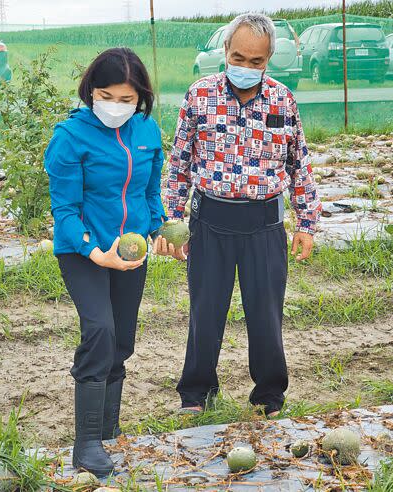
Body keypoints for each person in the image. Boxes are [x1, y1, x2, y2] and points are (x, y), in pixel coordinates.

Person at [156, 13, 322, 417]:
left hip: (264, 223)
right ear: (225, 52)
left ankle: (268, 395)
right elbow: (179, 163)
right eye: (238, 57)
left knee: (266, 315)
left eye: (256, 61)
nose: (245, 68)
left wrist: (306, 223)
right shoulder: (200, 96)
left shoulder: (282, 99)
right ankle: (196, 393)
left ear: (268, 60)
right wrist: (172, 222)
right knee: (205, 311)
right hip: (210, 220)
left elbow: (298, 164)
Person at [44, 47, 166, 477]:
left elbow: (151, 193)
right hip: (85, 252)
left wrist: (160, 229)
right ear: (90, 92)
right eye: (106, 95)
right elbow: (65, 210)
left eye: (126, 99)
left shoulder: (148, 132)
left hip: (130, 252)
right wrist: (96, 251)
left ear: (141, 98)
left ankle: (110, 430)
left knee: (122, 341)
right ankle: (87, 443)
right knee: (99, 330)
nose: (116, 106)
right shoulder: (70, 136)